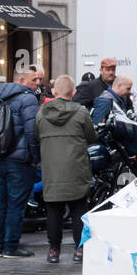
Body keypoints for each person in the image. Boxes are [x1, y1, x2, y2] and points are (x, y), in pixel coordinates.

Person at [35, 75, 96, 264]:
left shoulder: (41, 113)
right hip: (77, 169)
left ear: (54, 92)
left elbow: (36, 136)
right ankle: (80, 249)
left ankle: (54, 250)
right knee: (79, 209)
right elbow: (92, 137)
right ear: (74, 92)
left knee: (54, 211)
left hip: (52, 171)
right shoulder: (81, 112)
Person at [0, 69, 41, 257]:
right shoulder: (28, 98)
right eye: (34, 79)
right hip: (19, 160)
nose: (38, 83)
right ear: (22, 80)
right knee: (16, 203)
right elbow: (32, 132)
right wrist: (34, 158)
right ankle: (10, 246)